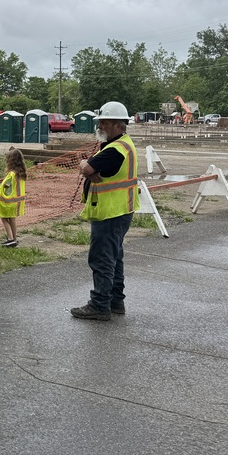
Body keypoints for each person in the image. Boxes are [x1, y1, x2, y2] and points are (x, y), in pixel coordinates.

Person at [72, 101, 138, 321]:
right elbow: (92, 169)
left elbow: (88, 167)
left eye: (103, 122)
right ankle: (115, 301)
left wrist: (85, 166)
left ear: (118, 124)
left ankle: (100, 304)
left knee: (102, 258)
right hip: (120, 209)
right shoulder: (122, 144)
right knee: (114, 256)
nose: (99, 126)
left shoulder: (115, 150)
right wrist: (89, 168)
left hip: (110, 211)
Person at [0, 148, 28, 247]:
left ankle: (10, 238)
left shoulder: (11, 174)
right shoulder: (21, 173)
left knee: (4, 218)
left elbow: (5, 186)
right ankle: (14, 238)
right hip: (17, 202)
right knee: (12, 219)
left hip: (8, 202)